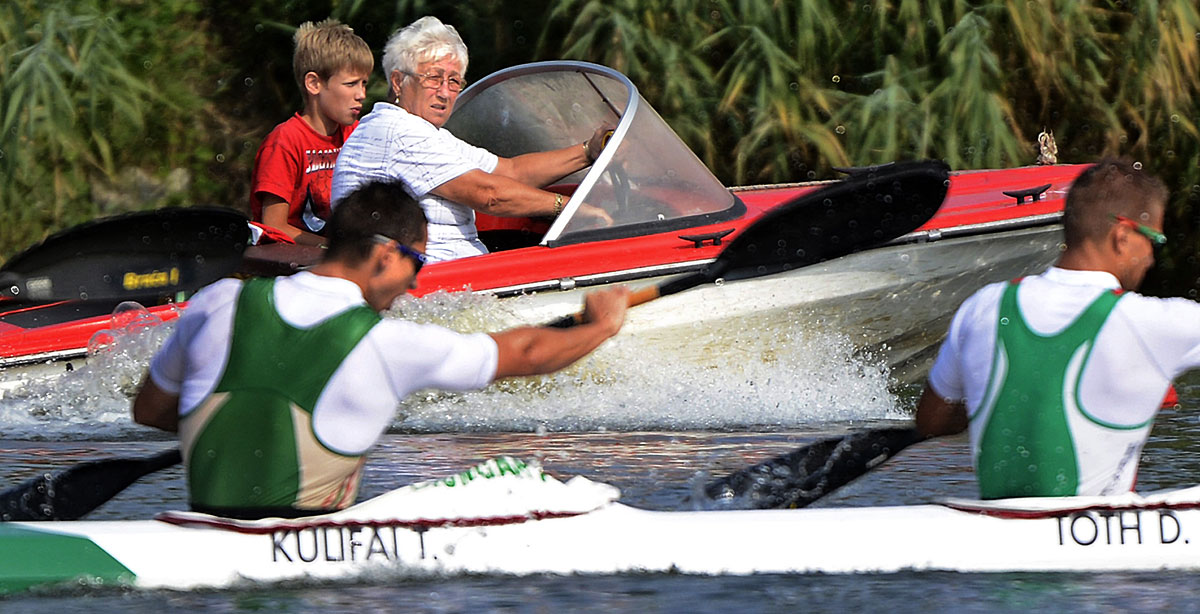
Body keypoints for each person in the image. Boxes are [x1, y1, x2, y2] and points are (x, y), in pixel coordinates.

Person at [132, 180, 629, 519]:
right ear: (387, 255)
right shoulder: (387, 342)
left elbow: (150, 409)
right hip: (313, 579)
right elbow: (526, 354)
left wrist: (243, 429)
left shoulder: (220, 299)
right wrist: (603, 326)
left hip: (201, 534)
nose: (414, 284)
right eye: (417, 264)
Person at [916, 158, 1200, 499]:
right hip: (1095, 538)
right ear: (1123, 235)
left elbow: (931, 422)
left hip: (994, 531)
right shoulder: (1154, 322)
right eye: (1154, 240)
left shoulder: (983, 306)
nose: (1152, 258)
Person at [331, 16, 612, 262]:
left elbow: (510, 172)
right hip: (429, 284)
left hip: (455, 277)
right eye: (433, 78)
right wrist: (571, 209)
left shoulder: (426, 132)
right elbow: (489, 195)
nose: (445, 92)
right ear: (397, 82)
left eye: (454, 81)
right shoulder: (397, 131)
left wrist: (589, 151)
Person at [248, 19, 373, 246]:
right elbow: (274, 226)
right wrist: (332, 250)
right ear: (314, 84)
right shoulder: (285, 142)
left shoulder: (356, 134)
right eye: (351, 84)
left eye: (364, 83)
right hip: (290, 266)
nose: (361, 94)